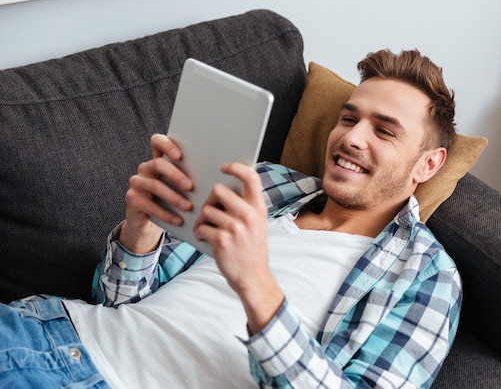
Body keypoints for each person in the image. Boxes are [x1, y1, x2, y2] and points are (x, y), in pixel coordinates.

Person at [0, 48, 461, 389]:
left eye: (383, 130)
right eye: (348, 118)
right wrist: (142, 230)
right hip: (48, 330)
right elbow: (117, 301)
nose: (351, 138)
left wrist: (255, 282)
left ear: (428, 165)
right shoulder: (264, 183)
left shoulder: (427, 277)